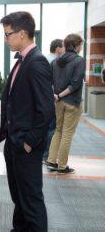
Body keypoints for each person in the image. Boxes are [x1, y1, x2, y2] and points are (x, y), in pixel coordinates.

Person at [0, 11, 54, 232]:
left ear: (22, 34)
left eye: (8, 34)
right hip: (14, 142)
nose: (5, 39)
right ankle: (19, 228)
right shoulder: (22, 60)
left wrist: (29, 142)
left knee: (31, 198)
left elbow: (46, 109)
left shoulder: (37, 62)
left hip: (26, 145)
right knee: (18, 193)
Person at [45, 34, 85, 174]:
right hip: (72, 103)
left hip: (58, 103)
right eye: (80, 44)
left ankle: (51, 161)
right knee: (67, 134)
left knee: (58, 131)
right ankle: (62, 166)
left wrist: (55, 96)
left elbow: (47, 81)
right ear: (75, 46)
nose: (81, 47)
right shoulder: (79, 61)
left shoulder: (56, 61)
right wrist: (60, 95)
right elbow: (75, 84)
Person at [43, 39, 65, 161]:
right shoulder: (55, 62)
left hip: (45, 99)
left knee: (47, 127)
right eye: (63, 48)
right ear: (57, 49)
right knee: (53, 128)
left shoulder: (46, 59)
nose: (65, 50)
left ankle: (44, 154)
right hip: (52, 100)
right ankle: (47, 156)